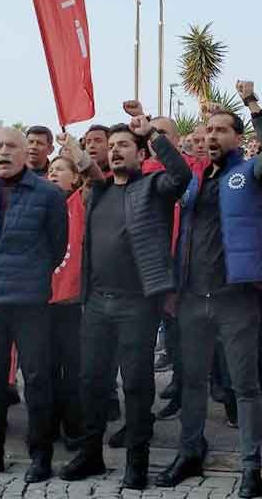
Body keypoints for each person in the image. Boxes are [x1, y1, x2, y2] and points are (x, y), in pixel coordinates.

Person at [157, 82, 262, 498]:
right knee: (192, 382)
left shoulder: (251, 174)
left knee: (244, 387)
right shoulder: (192, 183)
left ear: (237, 138)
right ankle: (189, 452)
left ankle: (251, 466)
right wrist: (151, 134)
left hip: (235, 300)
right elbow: (173, 170)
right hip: (192, 299)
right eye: (208, 131)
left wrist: (252, 104)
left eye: (221, 131)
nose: (211, 137)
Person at [59, 116, 192, 491]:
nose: (116, 150)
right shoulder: (99, 191)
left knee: (136, 385)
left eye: (123, 145)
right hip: (98, 303)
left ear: (140, 153)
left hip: (138, 305)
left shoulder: (155, 187)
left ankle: (137, 461)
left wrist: (151, 132)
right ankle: (90, 454)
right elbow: (88, 173)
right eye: (112, 146)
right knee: (92, 382)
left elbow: (182, 174)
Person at [0, 128, 68, 483]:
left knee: (37, 379)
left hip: (30, 300)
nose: (2, 152)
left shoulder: (49, 195)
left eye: (10, 146)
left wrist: (31, 274)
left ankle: (41, 455)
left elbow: (56, 246)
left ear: (26, 153)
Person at [46, 154, 87, 449]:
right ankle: (46, 426)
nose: (52, 174)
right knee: (44, 370)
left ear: (75, 178)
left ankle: (74, 428)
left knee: (73, 371)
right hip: (40, 301)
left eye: (59, 169)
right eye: (49, 169)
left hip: (73, 302)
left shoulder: (83, 202)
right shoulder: (40, 205)